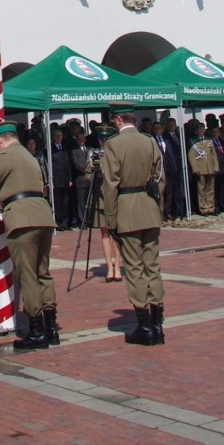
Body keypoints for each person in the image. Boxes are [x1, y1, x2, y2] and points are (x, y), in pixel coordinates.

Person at [0, 120, 58, 349]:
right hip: (42, 215)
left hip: (22, 218)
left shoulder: (6, 154)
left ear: (0, 140)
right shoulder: (27, 155)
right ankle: (51, 327)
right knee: (43, 272)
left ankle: (37, 330)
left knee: (27, 274)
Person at [101, 107, 166, 346]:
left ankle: (145, 325)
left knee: (135, 268)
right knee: (153, 265)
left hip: (127, 208)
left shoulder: (114, 145)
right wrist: (157, 209)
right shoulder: (149, 142)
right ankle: (158, 324)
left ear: (118, 119)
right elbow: (160, 179)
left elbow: (110, 184)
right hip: (149, 207)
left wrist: (110, 217)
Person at [84, 127, 122, 282]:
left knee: (116, 235)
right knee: (105, 233)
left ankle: (118, 267)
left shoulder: (116, 154)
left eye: (106, 139)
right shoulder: (94, 154)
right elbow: (86, 176)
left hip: (115, 197)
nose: (104, 142)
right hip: (100, 198)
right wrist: (94, 170)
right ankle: (109, 268)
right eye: (102, 140)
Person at [188, 122, 218, 216]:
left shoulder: (209, 140)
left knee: (210, 188)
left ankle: (210, 207)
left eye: (202, 129)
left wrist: (216, 166)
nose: (201, 131)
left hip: (209, 167)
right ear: (196, 131)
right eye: (199, 130)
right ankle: (203, 208)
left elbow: (213, 155)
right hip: (200, 167)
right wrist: (195, 169)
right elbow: (191, 156)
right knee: (201, 189)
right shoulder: (193, 140)